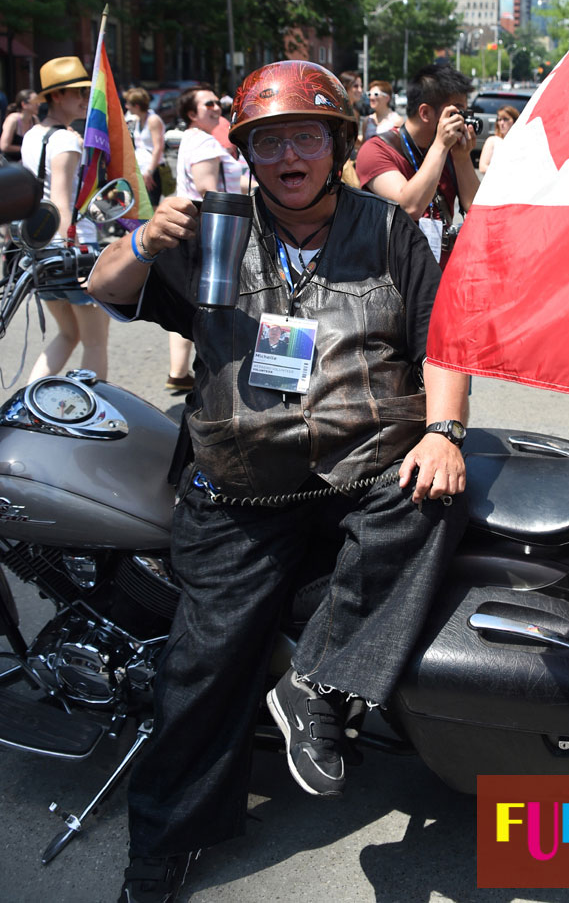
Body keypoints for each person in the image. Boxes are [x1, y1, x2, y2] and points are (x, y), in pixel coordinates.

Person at [87, 61, 469, 903]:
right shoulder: (213, 230)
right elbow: (104, 288)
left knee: (435, 497)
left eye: (305, 135)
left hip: (362, 463)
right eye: (269, 141)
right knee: (203, 668)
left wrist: (443, 432)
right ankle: (164, 845)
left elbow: (443, 340)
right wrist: (141, 240)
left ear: (335, 143)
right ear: (249, 154)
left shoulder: (391, 230)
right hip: (241, 482)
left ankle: (317, 685)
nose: (288, 154)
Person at [20, 57, 110, 382]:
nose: (85, 100)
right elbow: (60, 198)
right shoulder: (67, 140)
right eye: (77, 93)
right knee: (96, 341)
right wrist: (72, 247)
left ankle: (29, 402)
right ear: (56, 96)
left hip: (41, 250)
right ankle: (93, 418)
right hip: (74, 249)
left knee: (67, 334)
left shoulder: (33, 134)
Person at [166, 85, 250, 392]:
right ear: (192, 114)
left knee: (190, 302)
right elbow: (208, 191)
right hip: (212, 230)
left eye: (218, 102)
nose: (217, 107)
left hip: (194, 228)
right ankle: (215, 377)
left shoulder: (194, 137)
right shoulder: (203, 142)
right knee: (215, 303)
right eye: (208, 104)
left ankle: (179, 370)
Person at [356, 63, 480, 266]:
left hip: (440, 274)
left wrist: (462, 158)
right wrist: (440, 146)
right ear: (425, 113)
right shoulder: (376, 150)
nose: (463, 120)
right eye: (457, 111)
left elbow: (477, 209)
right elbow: (410, 205)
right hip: (396, 274)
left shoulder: (450, 150)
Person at [124, 88, 165, 207]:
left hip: (152, 169)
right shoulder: (137, 119)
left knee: (152, 205)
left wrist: (150, 171)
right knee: (140, 205)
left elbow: (158, 147)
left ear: (136, 105)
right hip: (141, 167)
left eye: (128, 104)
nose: (126, 106)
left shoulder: (153, 120)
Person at [0, 88, 39, 161]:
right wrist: (26, 149)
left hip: (27, 162)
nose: (38, 104)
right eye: (35, 102)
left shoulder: (35, 120)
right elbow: (4, 146)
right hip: (11, 164)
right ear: (24, 104)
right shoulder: (13, 120)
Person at [478, 105, 519, 173]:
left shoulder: (520, 142)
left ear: (515, 121)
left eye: (505, 119)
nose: (501, 123)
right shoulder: (493, 141)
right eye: (499, 119)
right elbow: (482, 167)